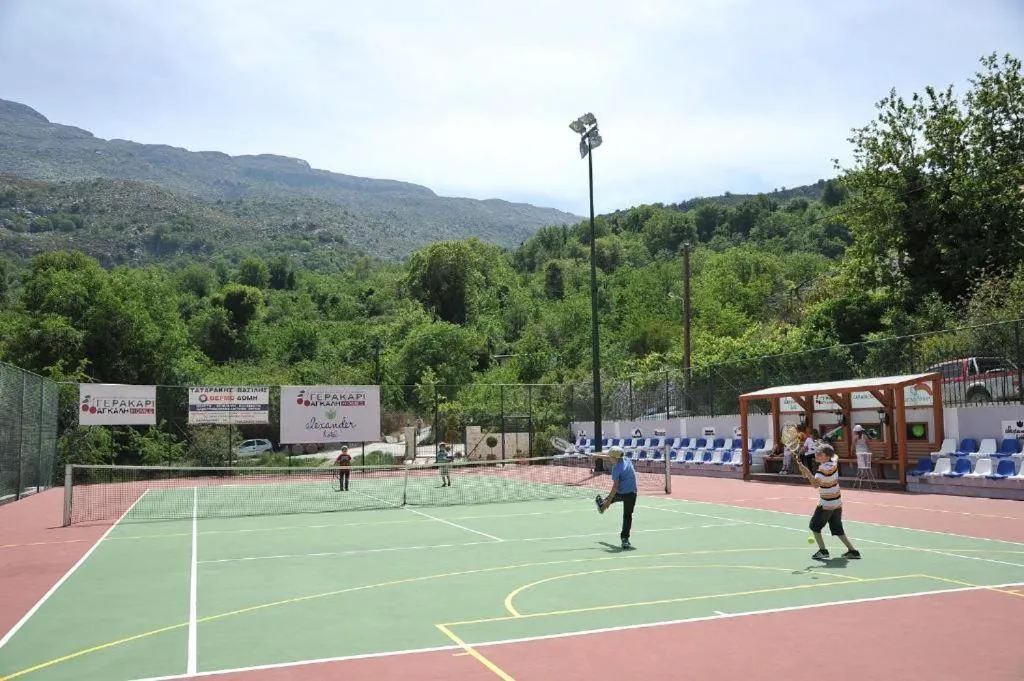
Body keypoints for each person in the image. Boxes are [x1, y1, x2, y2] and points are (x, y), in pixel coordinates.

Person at [795, 443, 861, 561]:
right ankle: (853, 551)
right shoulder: (834, 462)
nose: (816, 455)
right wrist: (805, 471)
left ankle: (823, 551)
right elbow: (834, 455)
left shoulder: (821, 471)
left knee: (814, 526)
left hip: (826, 504)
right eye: (816, 452)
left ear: (826, 456)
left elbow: (815, 484)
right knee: (837, 528)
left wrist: (806, 470)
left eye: (819, 454)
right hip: (837, 503)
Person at [594, 446, 638, 550]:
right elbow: (608, 457)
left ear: (615, 457)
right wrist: (596, 455)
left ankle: (602, 505)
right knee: (627, 516)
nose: (609, 458)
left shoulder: (616, 468)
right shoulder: (626, 459)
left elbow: (615, 487)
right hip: (632, 493)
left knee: (608, 499)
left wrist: (608, 502)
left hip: (621, 492)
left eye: (610, 457)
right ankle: (625, 540)